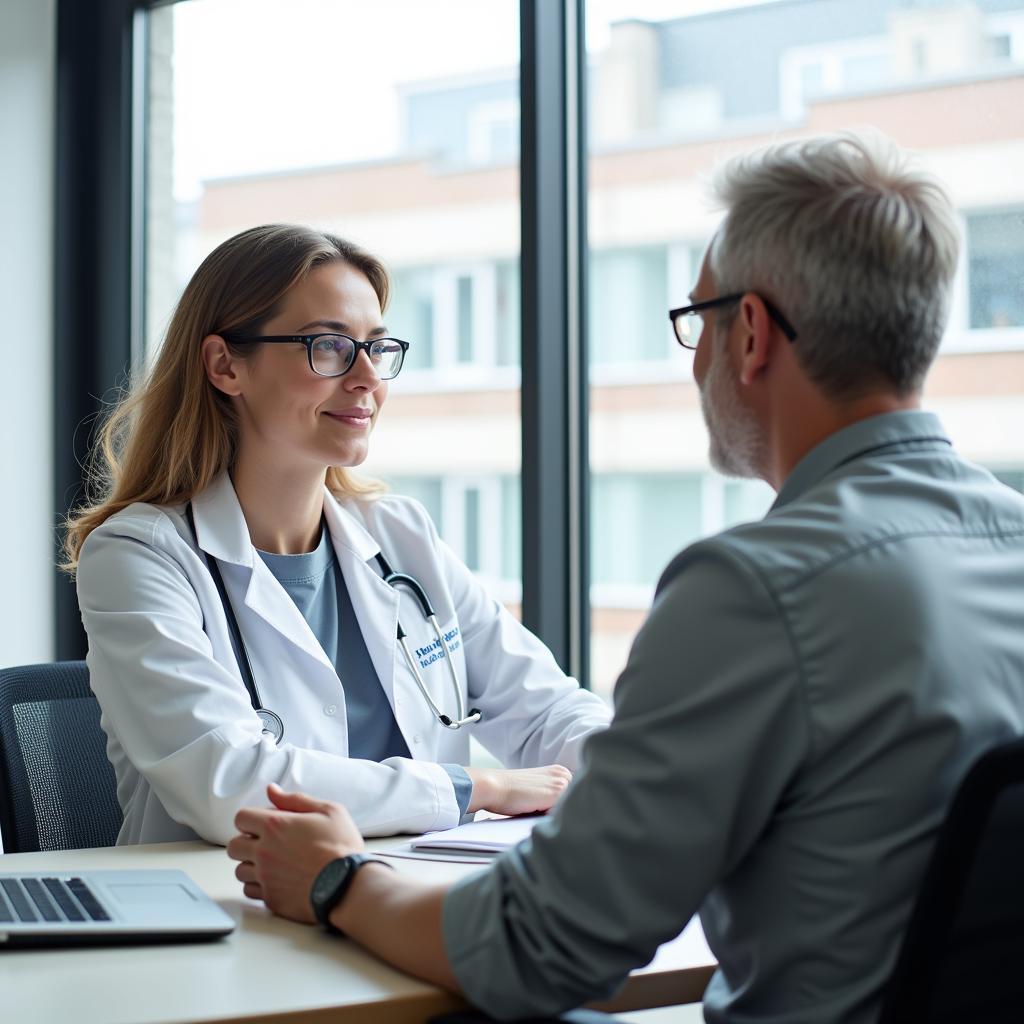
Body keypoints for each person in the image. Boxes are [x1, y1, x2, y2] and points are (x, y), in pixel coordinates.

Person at [227, 134, 1024, 1024]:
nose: (694, 359)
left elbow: (536, 948)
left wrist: (339, 880)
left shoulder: (758, 590)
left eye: (698, 320)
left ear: (751, 334)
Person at [66, 224, 611, 846]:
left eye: (375, 349)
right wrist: (477, 788)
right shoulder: (141, 555)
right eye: (327, 346)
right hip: (230, 913)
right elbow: (234, 786)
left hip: (403, 896)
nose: (367, 379)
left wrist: (633, 772)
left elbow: (547, 708)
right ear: (225, 366)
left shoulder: (401, 535)